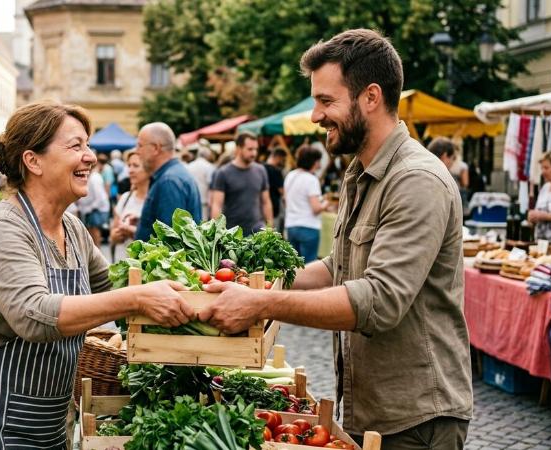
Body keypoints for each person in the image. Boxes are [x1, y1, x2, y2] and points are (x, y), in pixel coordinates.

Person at [198, 29, 473, 450]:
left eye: (326, 101)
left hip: (417, 418)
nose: (315, 116)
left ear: (371, 97)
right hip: (371, 408)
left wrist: (262, 304)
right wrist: (259, 282)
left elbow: (380, 300)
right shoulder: (360, 172)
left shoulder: (416, 180)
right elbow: (337, 266)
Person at [0, 101, 194, 450]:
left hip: (41, 420)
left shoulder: (74, 230)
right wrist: (137, 298)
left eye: (88, 145)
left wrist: (198, 294)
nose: (90, 157)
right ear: (33, 161)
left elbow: (117, 284)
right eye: (76, 146)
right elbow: (34, 315)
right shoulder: (3, 228)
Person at [134, 122, 202, 241]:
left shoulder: (169, 181)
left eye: (140, 146)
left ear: (156, 148)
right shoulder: (172, 176)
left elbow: (170, 241)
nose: (137, 151)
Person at [209, 131, 273, 235]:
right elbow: (216, 205)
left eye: (256, 149)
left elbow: (266, 201)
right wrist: (216, 233)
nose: (254, 153)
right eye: (250, 149)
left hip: (257, 231)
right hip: (232, 233)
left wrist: (270, 227)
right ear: (238, 148)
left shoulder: (261, 170)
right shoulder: (223, 173)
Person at [284, 146, 330, 263]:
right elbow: (316, 208)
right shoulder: (311, 179)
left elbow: (286, 199)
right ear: (314, 162)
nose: (320, 164)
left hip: (291, 226)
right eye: (319, 160)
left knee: (293, 265)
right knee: (309, 265)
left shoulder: (290, 175)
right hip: (308, 227)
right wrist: (325, 203)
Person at [110, 151, 149, 261]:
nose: (130, 170)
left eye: (136, 166)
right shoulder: (125, 197)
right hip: (127, 264)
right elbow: (113, 233)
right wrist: (117, 235)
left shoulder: (156, 200)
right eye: (129, 165)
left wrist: (136, 232)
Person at [77, 162, 111, 245]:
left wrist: (89, 208)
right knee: (91, 231)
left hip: (97, 209)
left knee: (95, 231)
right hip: (92, 208)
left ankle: (96, 250)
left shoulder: (95, 178)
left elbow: (99, 198)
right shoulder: (90, 177)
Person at [187, 146, 216, 221]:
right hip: (204, 202)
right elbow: (211, 185)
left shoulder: (189, 166)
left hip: (190, 200)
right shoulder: (210, 167)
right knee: (203, 224)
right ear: (208, 155)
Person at [264, 148, 287, 231]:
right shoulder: (276, 171)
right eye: (283, 159)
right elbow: (282, 191)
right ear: (278, 157)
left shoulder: (261, 168)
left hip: (261, 209)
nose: (283, 162)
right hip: (274, 210)